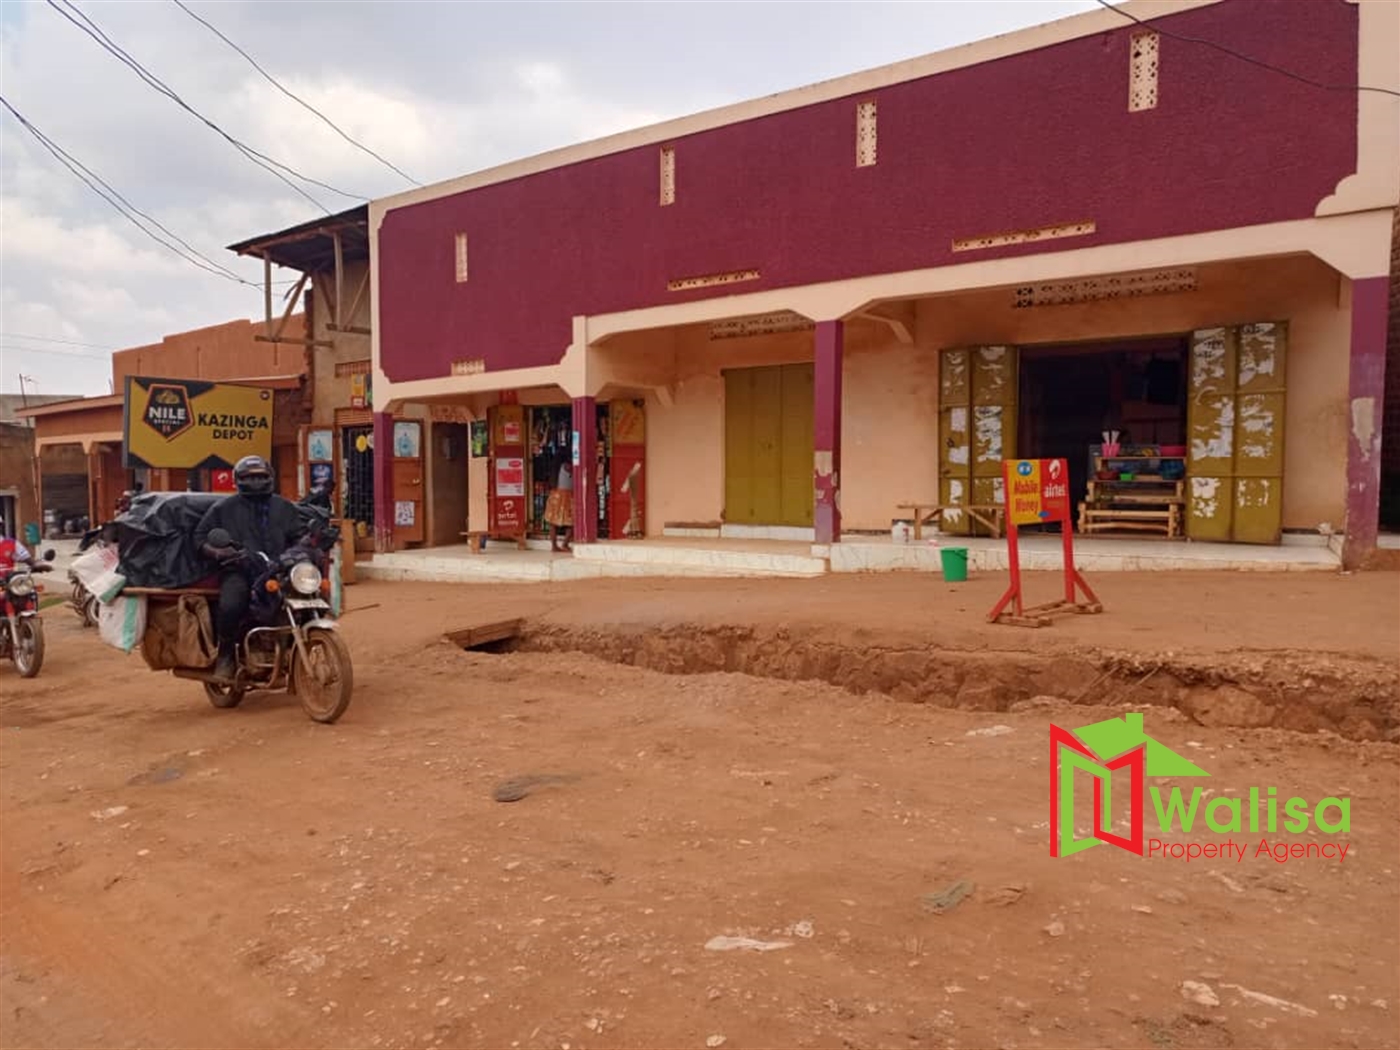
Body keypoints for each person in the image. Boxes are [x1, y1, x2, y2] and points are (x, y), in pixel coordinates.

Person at [194, 455, 306, 681]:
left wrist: (305, 546)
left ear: (270, 478)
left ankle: (296, 647)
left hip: (279, 568)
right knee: (232, 602)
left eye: (260, 477)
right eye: (249, 477)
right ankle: (226, 656)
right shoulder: (224, 508)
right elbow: (200, 537)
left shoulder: (284, 507)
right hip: (240, 569)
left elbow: (300, 534)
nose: (255, 482)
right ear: (238, 480)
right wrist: (218, 551)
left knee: (312, 594)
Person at [544, 461, 574, 553]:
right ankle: (565, 544)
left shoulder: (556, 468)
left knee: (552, 522)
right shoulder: (568, 466)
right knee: (571, 522)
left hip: (555, 495)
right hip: (567, 496)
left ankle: (554, 545)